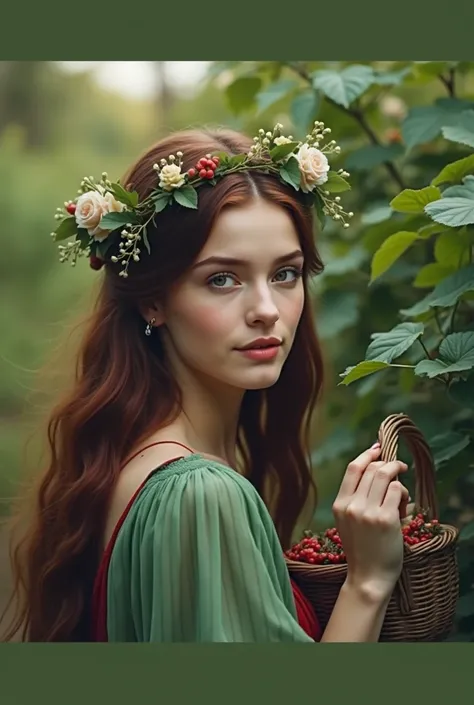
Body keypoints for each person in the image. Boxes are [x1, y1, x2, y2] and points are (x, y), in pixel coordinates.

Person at [1, 122, 410, 643]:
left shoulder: (130, 457)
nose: (267, 311)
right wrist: (369, 582)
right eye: (222, 279)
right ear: (153, 300)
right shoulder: (199, 495)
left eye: (285, 273)